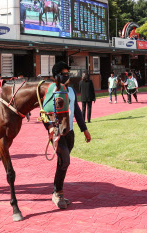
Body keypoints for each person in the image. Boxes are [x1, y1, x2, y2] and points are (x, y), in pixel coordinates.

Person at [49, 61, 91, 209]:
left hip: (70, 132)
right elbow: (44, 113)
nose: (66, 76)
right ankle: (57, 193)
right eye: (63, 74)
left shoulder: (71, 91)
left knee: (62, 164)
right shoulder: (51, 91)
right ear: (56, 76)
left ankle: (57, 191)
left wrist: (84, 129)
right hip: (57, 132)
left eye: (68, 73)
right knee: (65, 160)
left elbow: (77, 111)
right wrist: (50, 128)